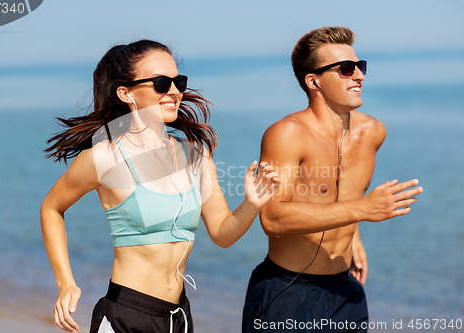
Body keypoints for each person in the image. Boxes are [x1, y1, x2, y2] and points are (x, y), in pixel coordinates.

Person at [40, 40, 280, 333]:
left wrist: (252, 204)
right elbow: (52, 208)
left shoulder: (196, 154)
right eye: (161, 83)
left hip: (177, 316)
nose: (174, 91)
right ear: (126, 93)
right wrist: (66, 283)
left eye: (178, 82)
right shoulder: (105, 157)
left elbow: (221, 232)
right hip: (125, 315)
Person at [242, 27, 423, 332]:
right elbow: (272, 218)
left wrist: (355, 236)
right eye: (346, 69)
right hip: (287, 291)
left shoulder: (373, 133)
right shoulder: (287, 134)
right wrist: (363, 210)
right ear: (313, 81)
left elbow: (341, 193)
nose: (360, 76)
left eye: (360, 67)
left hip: (345, 292)